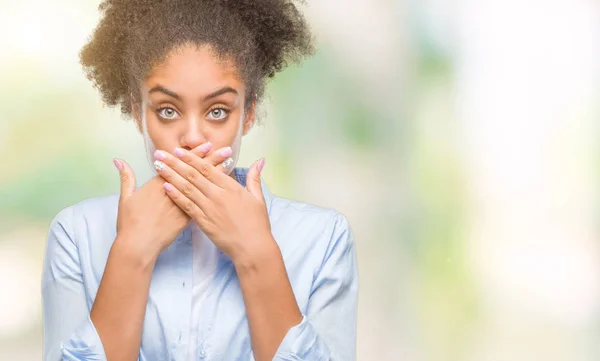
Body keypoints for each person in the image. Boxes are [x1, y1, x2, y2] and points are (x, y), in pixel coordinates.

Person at [41, 0, 358, 360]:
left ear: (249, 114)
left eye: (218, 111)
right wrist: (131, 253)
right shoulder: (76, 235)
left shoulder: (323, 239)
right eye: (168, 110)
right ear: (137, 111)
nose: (192, 137)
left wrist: (256, 254)